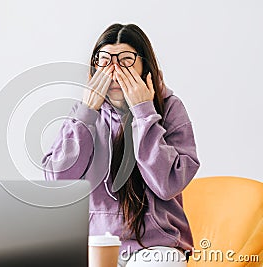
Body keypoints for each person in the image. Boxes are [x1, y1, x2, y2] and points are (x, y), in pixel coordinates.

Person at [42, 23, 200, 267]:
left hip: (156, 245)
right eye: (105, 61)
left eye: (126, 60)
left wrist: (144, 112)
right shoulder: (85, 111)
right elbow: (59, 181)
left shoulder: (169, 108)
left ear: (144, 66)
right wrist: (86, 114)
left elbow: (169, 184)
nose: (114, 71)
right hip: (96, 242)